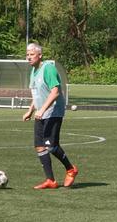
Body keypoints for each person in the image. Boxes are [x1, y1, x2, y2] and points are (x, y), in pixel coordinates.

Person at [23, 43, 78, 189]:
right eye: (27, 54)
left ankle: (71, 169)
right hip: (41, 112)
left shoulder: (48, 68)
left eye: (31, 54)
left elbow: (55, 92)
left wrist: (42, 110)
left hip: (54, 111)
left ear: (40, 55)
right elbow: (36, 94)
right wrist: (31, 110)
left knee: (51, 146)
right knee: (39, 146)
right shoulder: (33, 72)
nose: (28, 57)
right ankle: (50, 180)